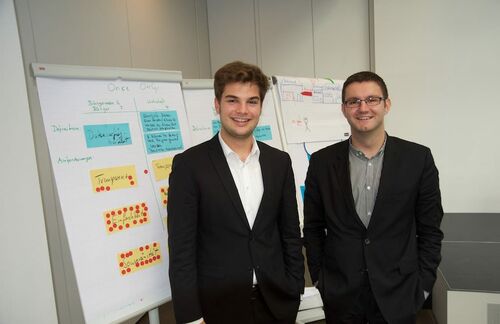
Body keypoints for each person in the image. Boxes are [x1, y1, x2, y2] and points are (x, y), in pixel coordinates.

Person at [168, 61, 304, 324]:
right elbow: (182, 251)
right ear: (217, 105)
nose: (242, 110)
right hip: (216, 309)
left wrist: (294, 288)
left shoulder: (279, 162)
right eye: (233, 100)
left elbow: (289, 233)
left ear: (261, 107)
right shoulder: (189, 166)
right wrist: (191, 317)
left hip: (276, 305)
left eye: (252, 101)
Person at [303, 71, 443, 324]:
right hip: (341, 296)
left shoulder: (418, 158)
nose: (363, 108)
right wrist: (320, 280)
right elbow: (313, 228)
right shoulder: (321, 162)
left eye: (372, 99)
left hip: (399, 294)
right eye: (353, 101)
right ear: (344, 109)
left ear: (386, 105)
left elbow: (430, 230)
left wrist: (422, 287)